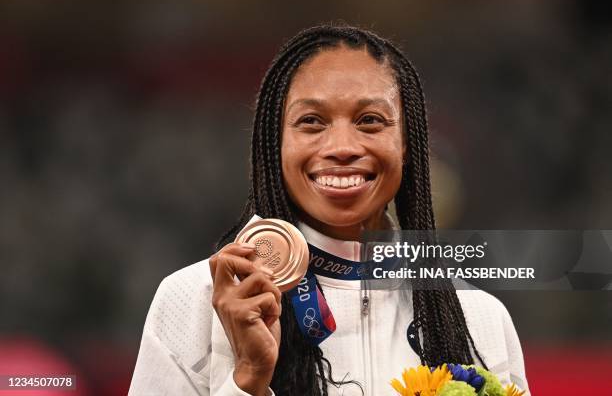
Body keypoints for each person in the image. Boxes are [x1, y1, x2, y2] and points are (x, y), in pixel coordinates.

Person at [128, 25, 529, 396]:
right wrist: (247, 379)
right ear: (275, 143)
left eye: (370, 120)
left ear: (406, 143)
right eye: (312, 121)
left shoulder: (477, 320)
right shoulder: (195, 301)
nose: (341, 146)